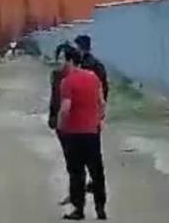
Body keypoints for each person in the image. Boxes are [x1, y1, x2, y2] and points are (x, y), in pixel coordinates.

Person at [58, 45, 107, 220]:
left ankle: (79, 209)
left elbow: (65, 108)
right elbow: (101, 102)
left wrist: (61, 126)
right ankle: (101, 209)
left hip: (74, 133)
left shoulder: (67, 82)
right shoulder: (93, 77)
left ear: (70, 61)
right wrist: (98, 120)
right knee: (96, 172)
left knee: (77, 173)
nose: (60, 63)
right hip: (92, 132)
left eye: (62, 59)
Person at [74, 35, 109, 102]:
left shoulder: (86, 64)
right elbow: (104, 86)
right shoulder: (95, 62)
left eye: (77, 46)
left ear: (81, 47)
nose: (76, 49)